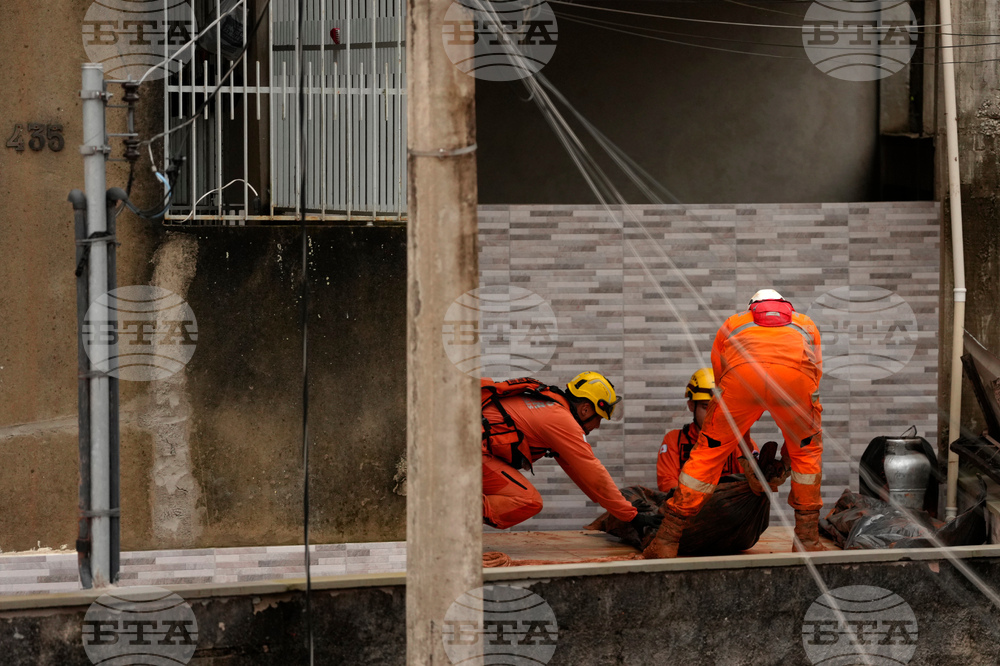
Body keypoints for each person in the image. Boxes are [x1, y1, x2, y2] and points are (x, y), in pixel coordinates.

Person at [644, 289, 825, 558]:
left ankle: (668, 539)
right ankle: (807, 539)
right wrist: (789, 459)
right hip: (795, 382)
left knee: (707, 453)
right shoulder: (807, 324)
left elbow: (722, 378)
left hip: (741, 380)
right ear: (786, 307)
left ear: (752, 307)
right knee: (808, 452)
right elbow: (814, 375)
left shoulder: (735, 322)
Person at [482, 371, 662, 537]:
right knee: (528, 500)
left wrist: (623, 508)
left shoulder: (551, 405)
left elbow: (582, 475)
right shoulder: (560, 419)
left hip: (467, 447)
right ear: (585, 409)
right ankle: (456, 516)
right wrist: (631, 516)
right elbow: (593, 471)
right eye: (598, 417)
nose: (598, 425)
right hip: (469, 450)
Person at [657, 367, 757, 493]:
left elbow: (755, 481)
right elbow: (666, 483)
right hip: (686, 509)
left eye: (719, 408)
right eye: (706, 407)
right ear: (691, 406)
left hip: (729, 510)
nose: (713, 415)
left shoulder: (739, 443)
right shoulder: (674, 440)